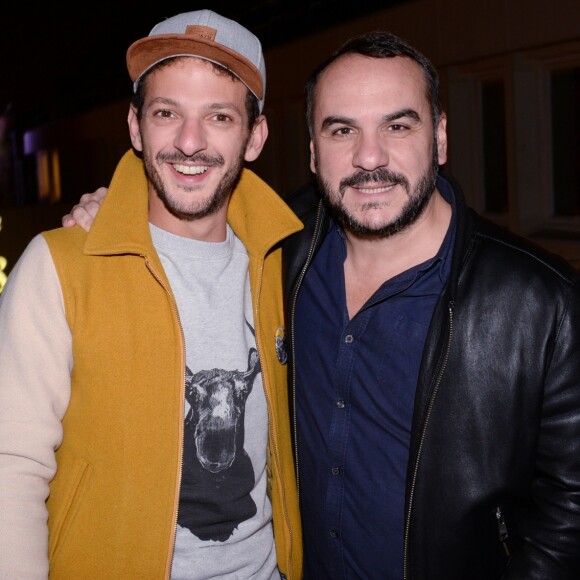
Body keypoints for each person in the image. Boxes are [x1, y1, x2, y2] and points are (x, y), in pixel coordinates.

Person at [63, 30, 580, 580]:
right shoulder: (275, 256)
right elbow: (189, 203)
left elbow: (569, 514)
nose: (369, 157)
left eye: (398, 125)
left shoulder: (539, 301)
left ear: (441, 138)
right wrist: (117, 208)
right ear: (312, 150)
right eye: (342, 130)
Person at [0, 10, 303, 579]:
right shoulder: (59, 266)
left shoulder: (288, 264)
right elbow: (10, 468)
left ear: (255, 136)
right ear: (136, 127)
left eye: (218, 116)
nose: (190, 143)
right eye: (168, 113)